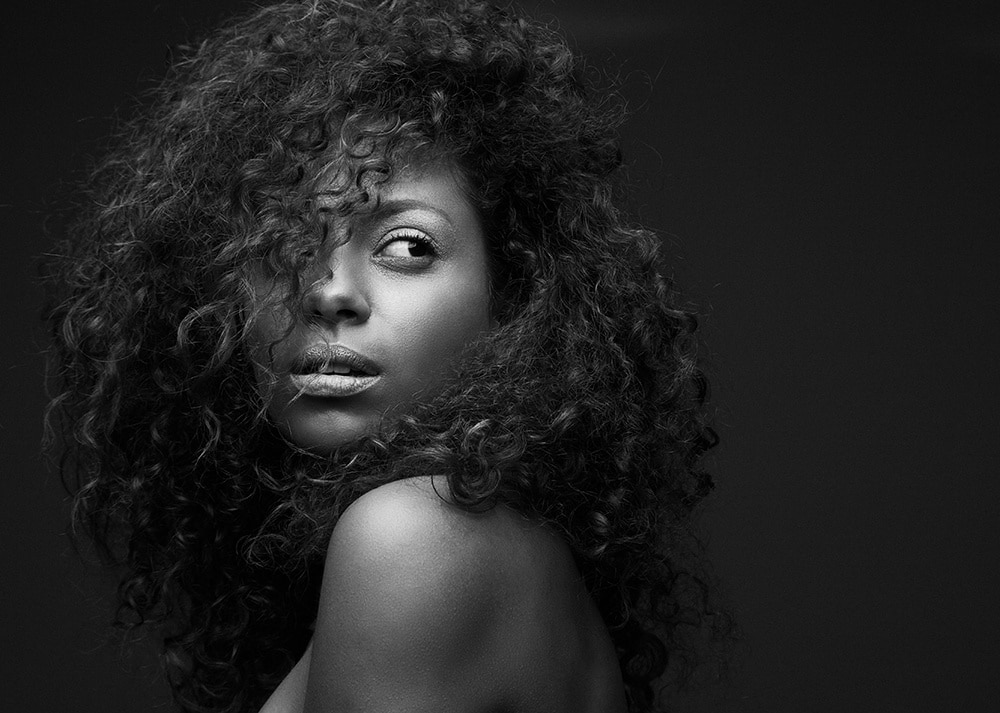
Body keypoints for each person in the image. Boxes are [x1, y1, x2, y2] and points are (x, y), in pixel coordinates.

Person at [43, 1, 726, 711]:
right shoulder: (479, 539)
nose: (329, 291)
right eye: (287, 242)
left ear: (514, 299)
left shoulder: (416, 535)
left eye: (406, 246)